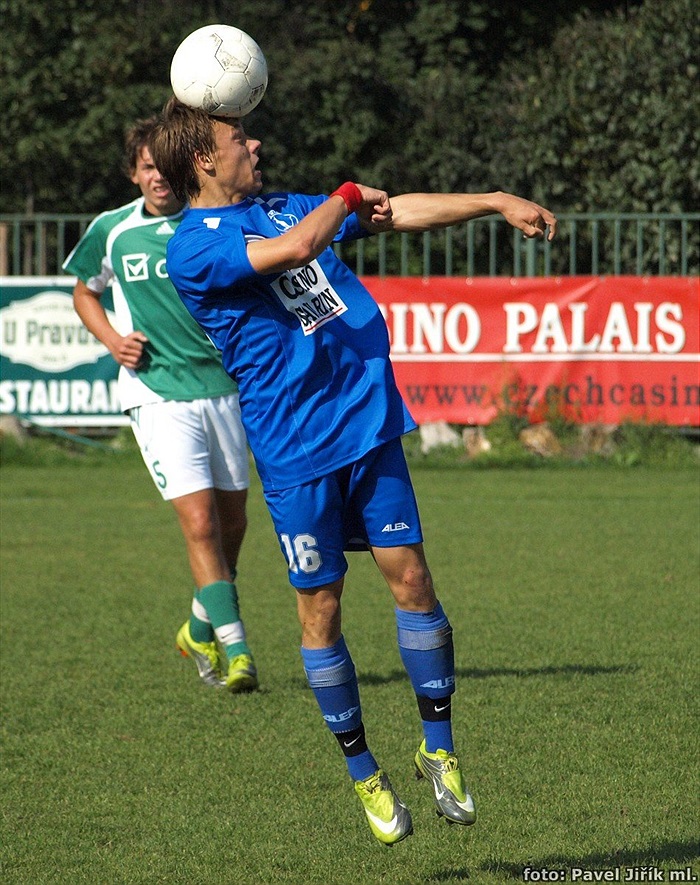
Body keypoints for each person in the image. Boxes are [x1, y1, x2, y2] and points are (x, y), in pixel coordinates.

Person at [151, 97, 557, 845]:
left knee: (413, 579)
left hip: (369, 430)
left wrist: (494, 201)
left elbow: (392, 211)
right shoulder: (193, 245)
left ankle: (439, 749)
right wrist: (341, 196)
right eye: (239, 135)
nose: (256, 141)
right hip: (297, 453)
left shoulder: (287, 207)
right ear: (205, 160)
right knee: (322, 610)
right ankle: (364, 771)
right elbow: (300, 250)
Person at [63, 117, 258, 693]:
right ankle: (237, 649)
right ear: (134, 173)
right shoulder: (113, 230)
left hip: (223, 387)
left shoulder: (207, 225)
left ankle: (199, 626)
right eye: (146, 167)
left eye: (163, 167)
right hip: (157, 395)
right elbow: (83, 289)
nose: (156, 177)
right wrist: (111, 340)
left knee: (232, 525)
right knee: (199, 526)